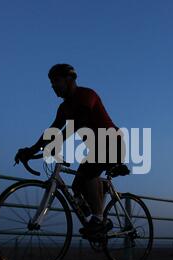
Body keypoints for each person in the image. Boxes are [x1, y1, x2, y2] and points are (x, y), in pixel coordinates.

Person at [14, 63, 126, 236]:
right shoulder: (64, 108)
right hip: (97, 149)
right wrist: (31, 150)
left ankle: (99, 219)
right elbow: (51, 131)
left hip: (113, 143)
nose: (53, 86)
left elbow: (77, 123)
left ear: (70, 79)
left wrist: (55, 143)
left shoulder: (86, 95)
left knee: (88, 175)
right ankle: (98, 209)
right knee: (77, 187)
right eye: (51, 83)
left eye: (56, 81)